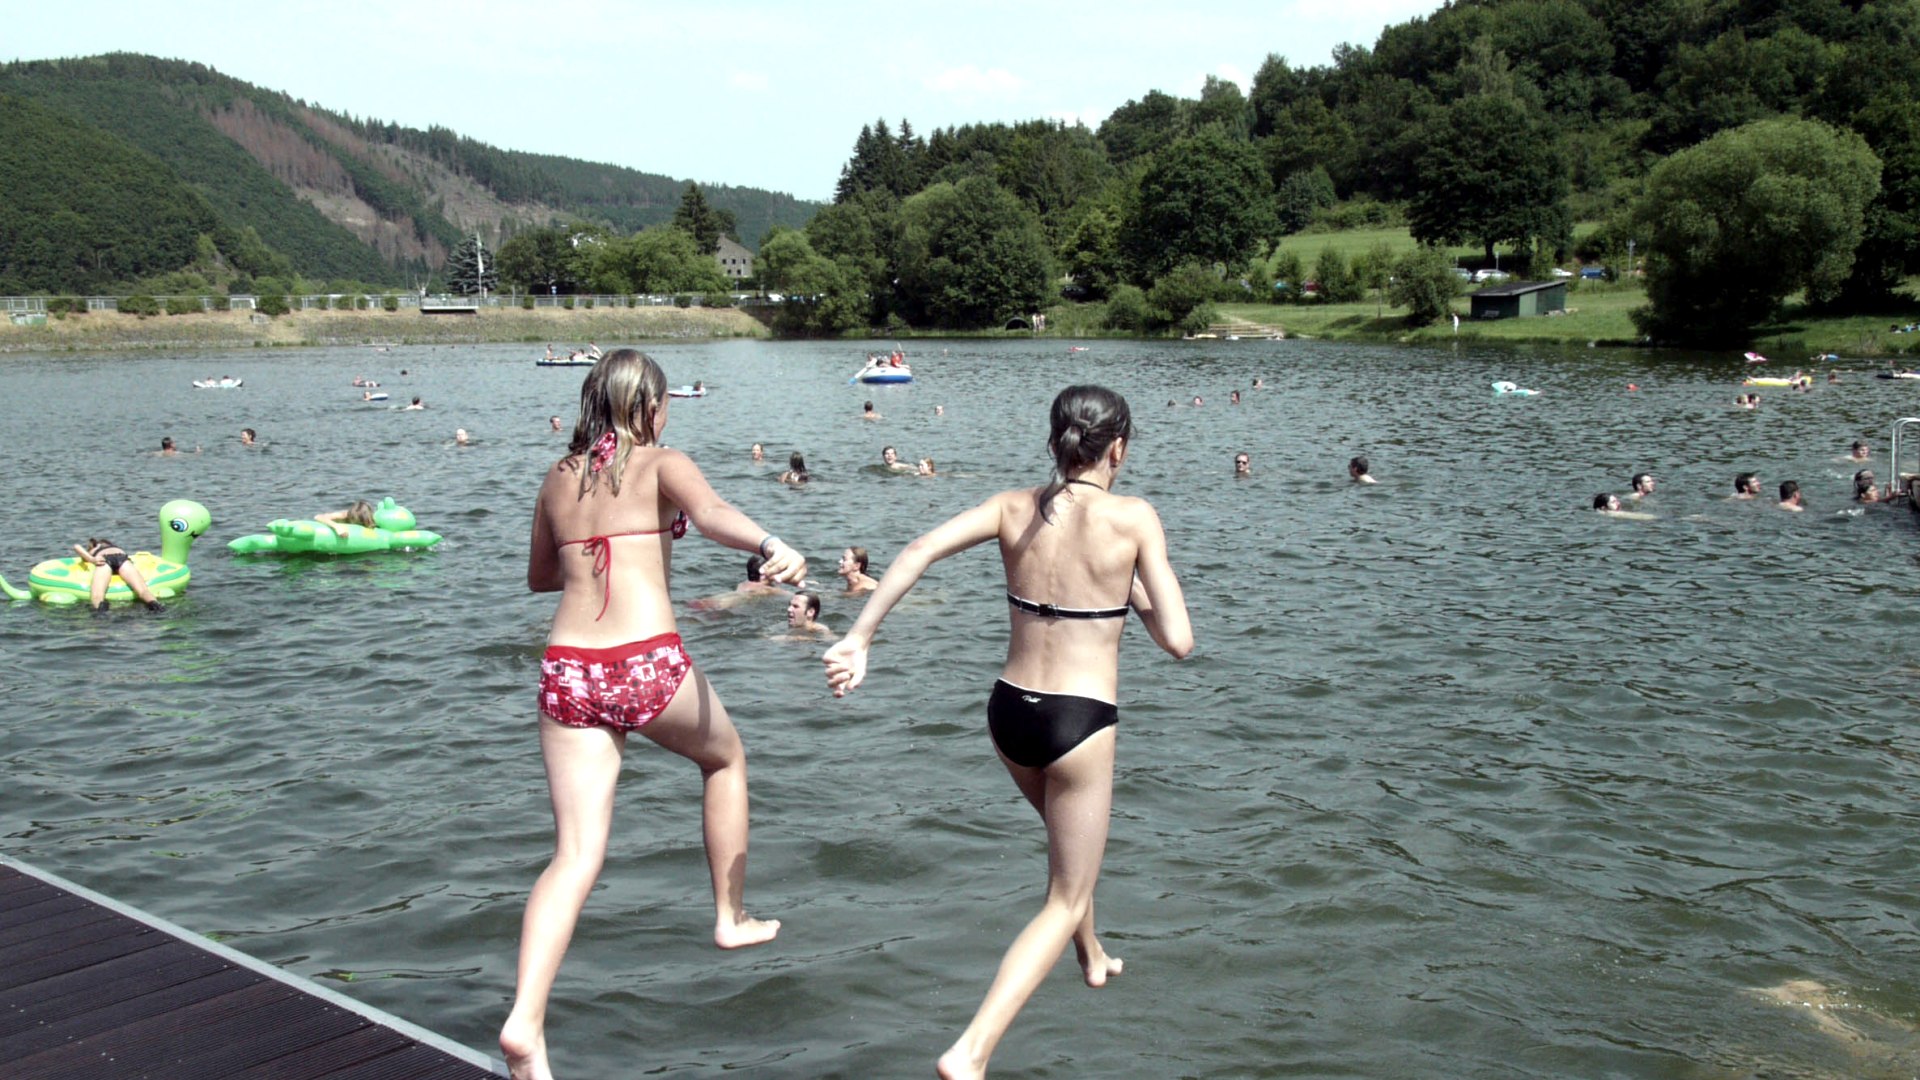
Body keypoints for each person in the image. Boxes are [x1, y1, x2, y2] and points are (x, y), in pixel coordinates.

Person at [823, 384, 1192, 1080]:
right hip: (1078, 724)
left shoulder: (1010, 506)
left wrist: (859, 638)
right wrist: (1133, 589)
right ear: (1119, 448)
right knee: (1065, 892)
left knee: (1068, 864)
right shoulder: (1134, 517)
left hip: (1008, 714)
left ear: (1056, 442)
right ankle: (971, 1052)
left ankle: (1090, 953)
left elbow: (922, 548)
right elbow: (1178, 639)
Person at [503, 350, 802, 1080]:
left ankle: (524, 1022)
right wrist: (770, 543)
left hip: (568, 668)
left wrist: (595, 546)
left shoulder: (558, 475)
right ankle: (730, 918)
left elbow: (542, 576)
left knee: (574, 854)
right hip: (644, 663)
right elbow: (713, 514)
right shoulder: (664, 462)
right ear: (652, 407)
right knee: (725, 759)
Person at [72, 538, 163, 612]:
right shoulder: (114, 547)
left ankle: (101, 613)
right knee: (143, 591)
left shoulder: (94, 549)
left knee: (97, 595)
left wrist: (91, 559)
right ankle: (156, 606)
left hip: (104, 560)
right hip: (122, 558)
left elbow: (76, 546)